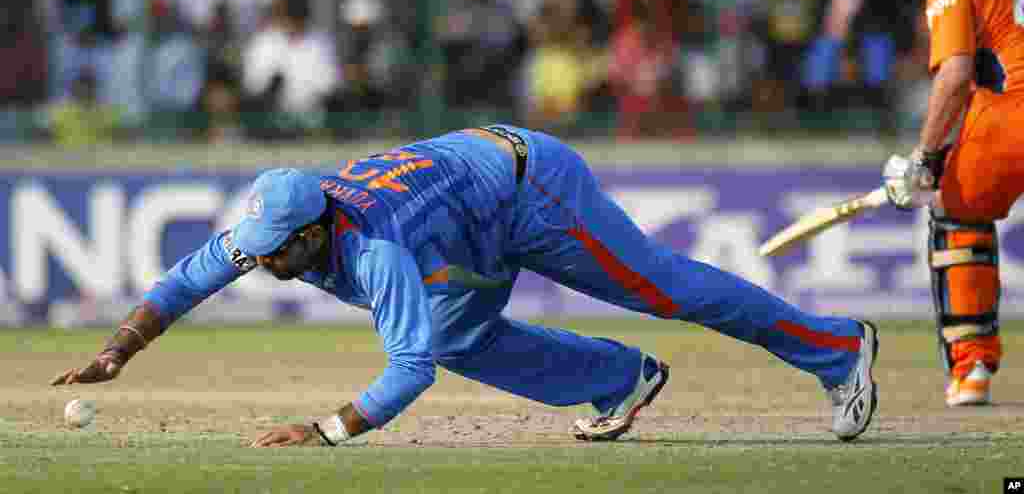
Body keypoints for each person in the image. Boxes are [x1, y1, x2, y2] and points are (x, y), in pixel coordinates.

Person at [51, 125, 879, 445]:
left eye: (276, 253)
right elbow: (190, 276)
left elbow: (406, 369)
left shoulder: (373, 246)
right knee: (456, 335)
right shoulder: (279, 225)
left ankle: (839, 349)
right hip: (468, 222)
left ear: (314, 233)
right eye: (258, 250)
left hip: (530, 192)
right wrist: (118, 351)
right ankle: (621, 379)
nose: (262, 263)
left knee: (666, 288)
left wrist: (325, 430)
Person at [873, 0, 1015, 406]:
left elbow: (954, 78)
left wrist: (926, 161)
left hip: (1014, 115)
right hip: (1007, 109)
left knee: (956, 213)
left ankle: (972, 365)